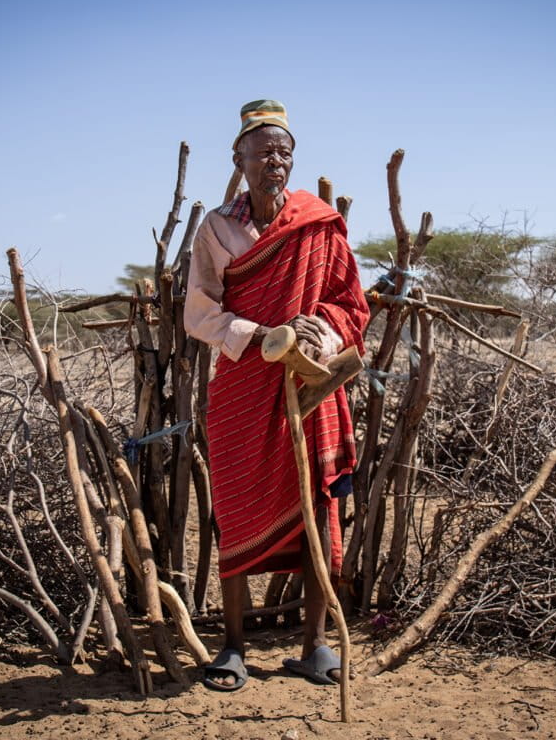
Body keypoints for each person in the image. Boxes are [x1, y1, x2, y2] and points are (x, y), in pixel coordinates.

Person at [184, 99, 370, 691]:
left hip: (309, 385)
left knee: (319, 506)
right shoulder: (217, 228)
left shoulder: (316, 222)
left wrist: (324, 326)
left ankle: (315, 645)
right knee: (236, 507)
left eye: (284, 152)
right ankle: (234, 647)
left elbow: (351, 302)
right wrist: (258, 334)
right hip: (243, 385)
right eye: (263, 152)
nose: (276, 162)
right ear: (238, 157)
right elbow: (200, 312)